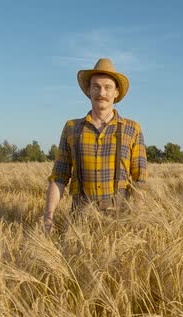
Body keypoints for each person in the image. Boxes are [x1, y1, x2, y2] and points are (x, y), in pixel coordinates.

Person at [43, 58, 147, 233]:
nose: (102, 92)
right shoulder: (71, 128)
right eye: (96, 86)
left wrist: (138, 218)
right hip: (80, 222)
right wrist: (48, 216)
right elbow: (59, 178)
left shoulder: (132, 129)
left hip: (120, 222)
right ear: (89, 91)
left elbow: (140, 181)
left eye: (108, 87)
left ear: (116, 92)